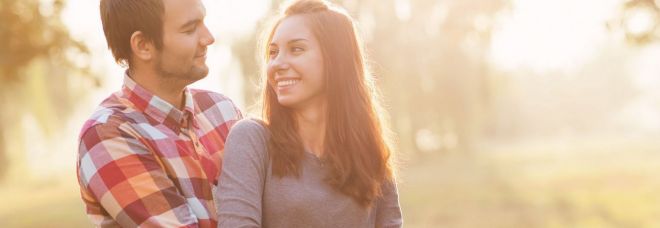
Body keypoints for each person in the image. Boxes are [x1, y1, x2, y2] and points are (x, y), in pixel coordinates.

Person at [215, 0, 403, 227]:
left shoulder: (369, 151)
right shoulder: (252, 140)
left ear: (336, 59)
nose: (277, 64)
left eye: (296, 49)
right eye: (273, 52)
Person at [76, 0, 242, 227]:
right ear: (143, 45)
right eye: (190, 29)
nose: (208, 38)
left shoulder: (222, 110)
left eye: (203, 22)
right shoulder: (108, 135)